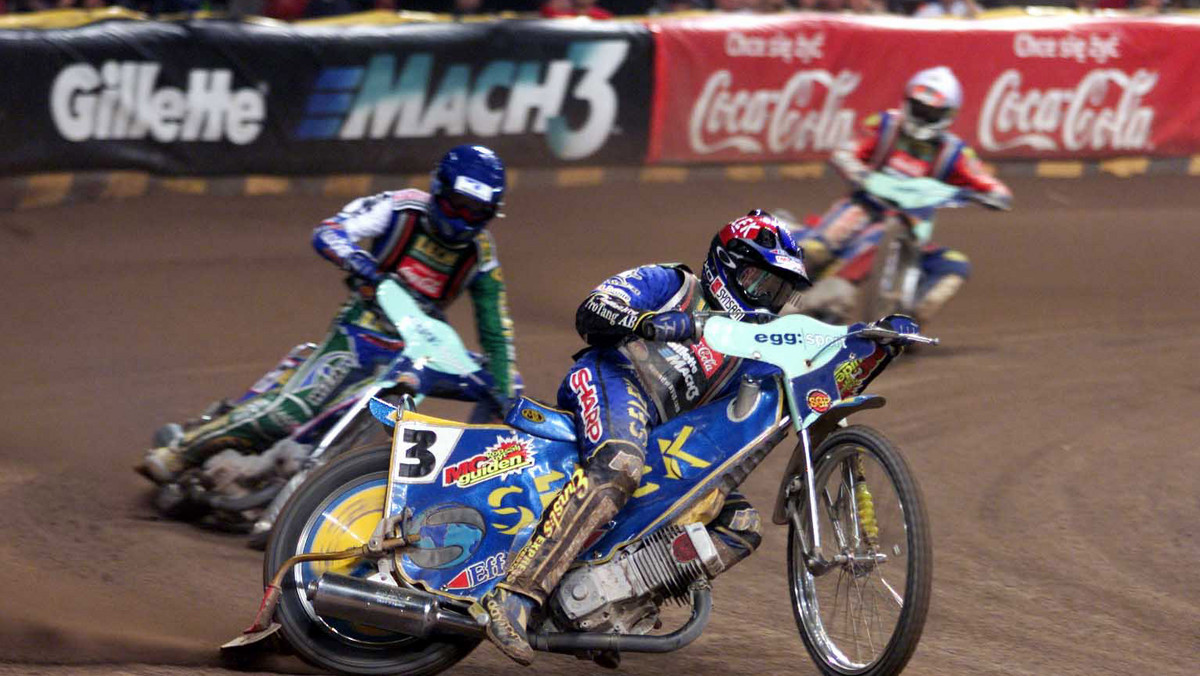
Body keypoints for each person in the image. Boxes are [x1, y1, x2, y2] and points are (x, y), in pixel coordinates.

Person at [476, 210, 810, 664]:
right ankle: (515, 595)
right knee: (621, 462)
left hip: (661, 431)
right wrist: (649, 323)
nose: (767, 301)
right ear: (728, 265)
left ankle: (603, 603)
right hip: (613, 376)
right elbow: (592, 309)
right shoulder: (674, 284)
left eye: (780, 292)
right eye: (761, 284)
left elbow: (798, 375)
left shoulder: (751, 352)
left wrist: (868, 347)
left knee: (739, 524)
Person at [138, 145, 518, 487]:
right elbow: (331, 231)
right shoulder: (401, 207)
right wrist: (359, 262)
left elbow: (495, 330)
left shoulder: (482, 256)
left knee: (506, 384)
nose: (463, 219)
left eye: (476, 212)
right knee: (285, 414)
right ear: (439, 190)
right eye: (457, 205)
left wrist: (503, 396)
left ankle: (465, 483)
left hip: (422, 353)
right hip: (362, 331)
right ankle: (181, 452)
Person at [794, 66, 1011, 323]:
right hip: (864, 207)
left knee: (953, 267)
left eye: (931, 112)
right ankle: (772, 288)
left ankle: (907, 322)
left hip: (912, 228)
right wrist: (855, 169)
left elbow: (990, 184)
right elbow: (848, 149)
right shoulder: (885, 125)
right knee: (816, 250)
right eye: (919, 108)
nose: (923, 116)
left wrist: (991, 195)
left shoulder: (954, 152)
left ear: (947, 115)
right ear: (908, 102)